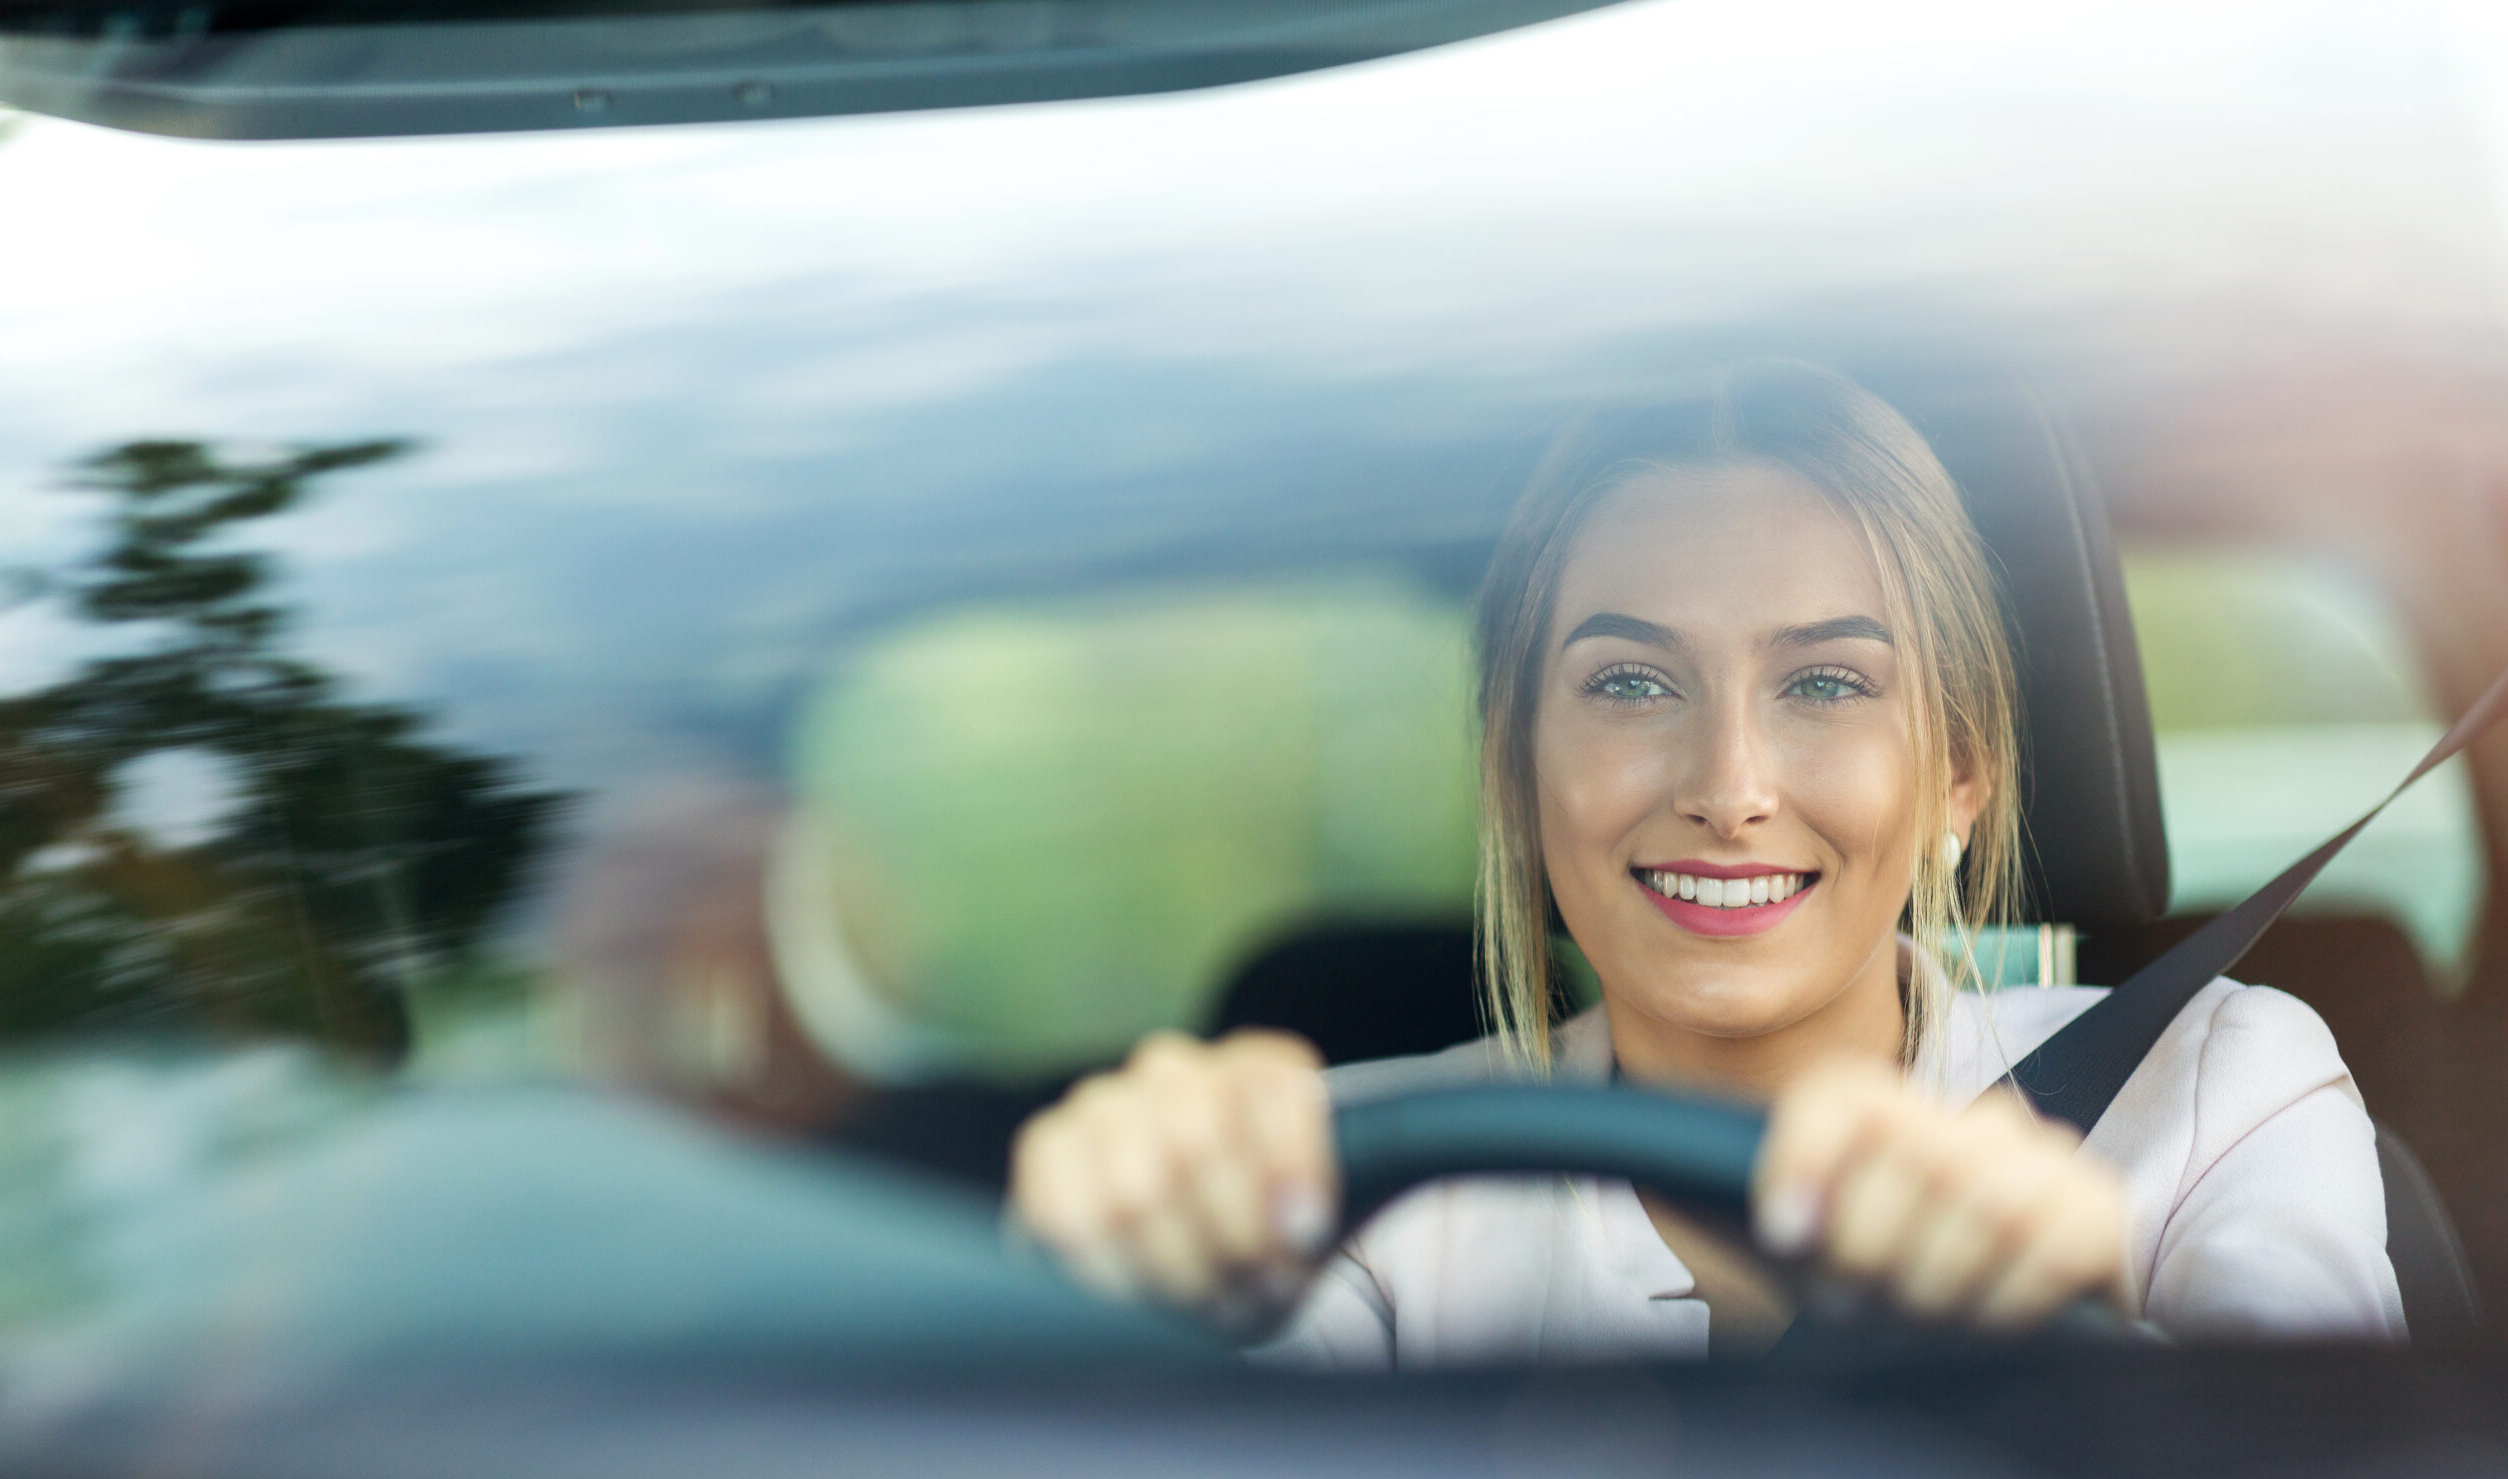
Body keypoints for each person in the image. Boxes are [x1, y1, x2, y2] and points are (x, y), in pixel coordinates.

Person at [1008, 363, 2406, 1366]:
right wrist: (1107, 1314)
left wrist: (2074, 1357)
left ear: (1961, 772)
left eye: (1826, 685)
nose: (1728, 788)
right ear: (1513, 768)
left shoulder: (2217, 1095)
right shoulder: (1346, 1187)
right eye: (1628, 685)